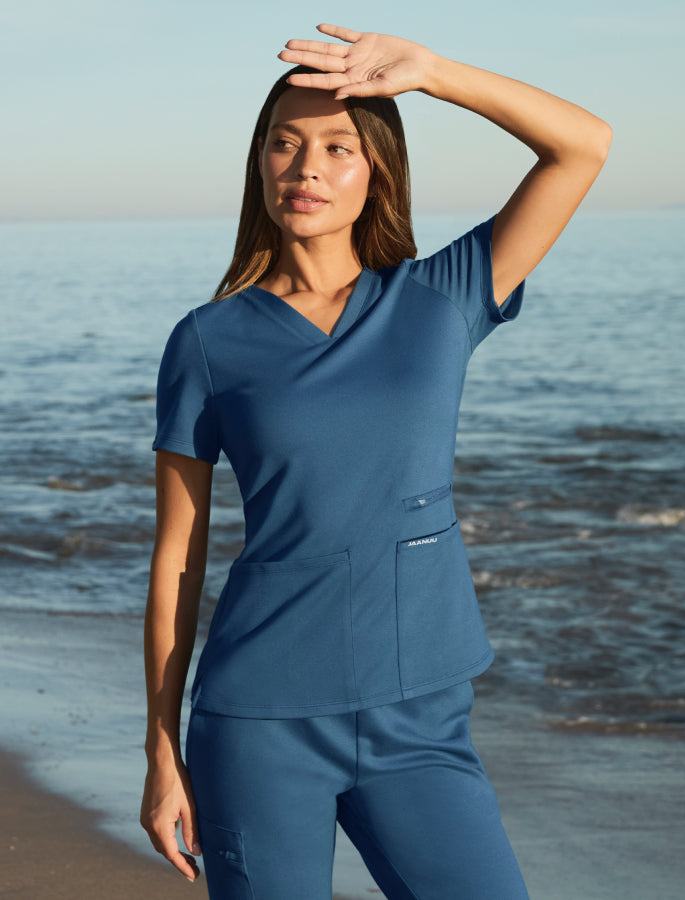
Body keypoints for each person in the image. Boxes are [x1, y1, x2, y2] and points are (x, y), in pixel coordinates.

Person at [140, 23, 611, 900]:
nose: (305, 167)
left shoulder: (444, 298)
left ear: (377, 170)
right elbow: (177, 559)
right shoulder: (208, 342)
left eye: (335, 147)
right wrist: (162, 750)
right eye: (284, 144)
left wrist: (430, 73)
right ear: (259, 166)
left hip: (421, 716)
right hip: (259, 722)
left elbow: (582, 145)